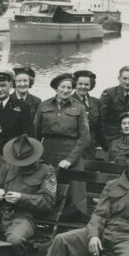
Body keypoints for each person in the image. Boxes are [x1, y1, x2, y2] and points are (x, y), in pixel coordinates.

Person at [0, 135, 56, 253]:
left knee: (15, 241)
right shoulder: (9, 165)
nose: (19, 164)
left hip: (23, 218)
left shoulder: (46, 171)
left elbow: (48, 202)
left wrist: (21, 198)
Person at [34, 73, 91, 215]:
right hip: (48, 152)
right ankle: (44, 216)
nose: (66, 91)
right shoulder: (43, 105)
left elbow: (85, 138)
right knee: (47, 186)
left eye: (69, 88)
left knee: (76, 191)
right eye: (62, 87)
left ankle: (75, 218)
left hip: (71, 152)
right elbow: (35, 134)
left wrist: (70, 159)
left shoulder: (79, 108)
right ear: (56, 88)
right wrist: (36, 157)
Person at [98, 66, 129, 143]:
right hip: (112, 137)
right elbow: (101, 120)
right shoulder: (109, 93)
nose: (127, 82)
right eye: (124, 78)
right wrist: (104, 141)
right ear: (119, 78)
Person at [73, 69, 109, 156]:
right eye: (80, 84)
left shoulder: (95, 102)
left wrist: (106, 147)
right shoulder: (69, 101)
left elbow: (99, 127)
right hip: (73, 147)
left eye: (86, 84)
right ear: (75, 84)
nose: (83, 87)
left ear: (91, 86)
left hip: (90, 147)